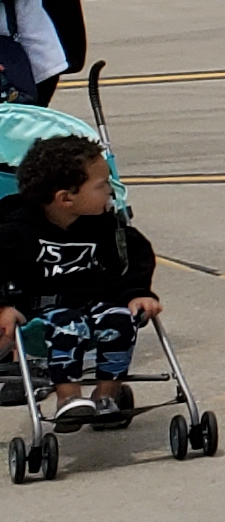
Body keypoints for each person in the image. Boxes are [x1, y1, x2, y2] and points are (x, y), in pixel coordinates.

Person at [0, 136, 154, 427]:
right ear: (65, 198)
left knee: (121, 319)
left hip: (96, 304)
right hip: (40, 314)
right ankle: (68, 399)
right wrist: (4, 306)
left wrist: (138, 293)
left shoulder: (104, 225)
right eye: (101, 186)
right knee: (68, 323)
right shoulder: (15, 230)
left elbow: (135, 257)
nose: (111, 191)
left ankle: (105, 397)